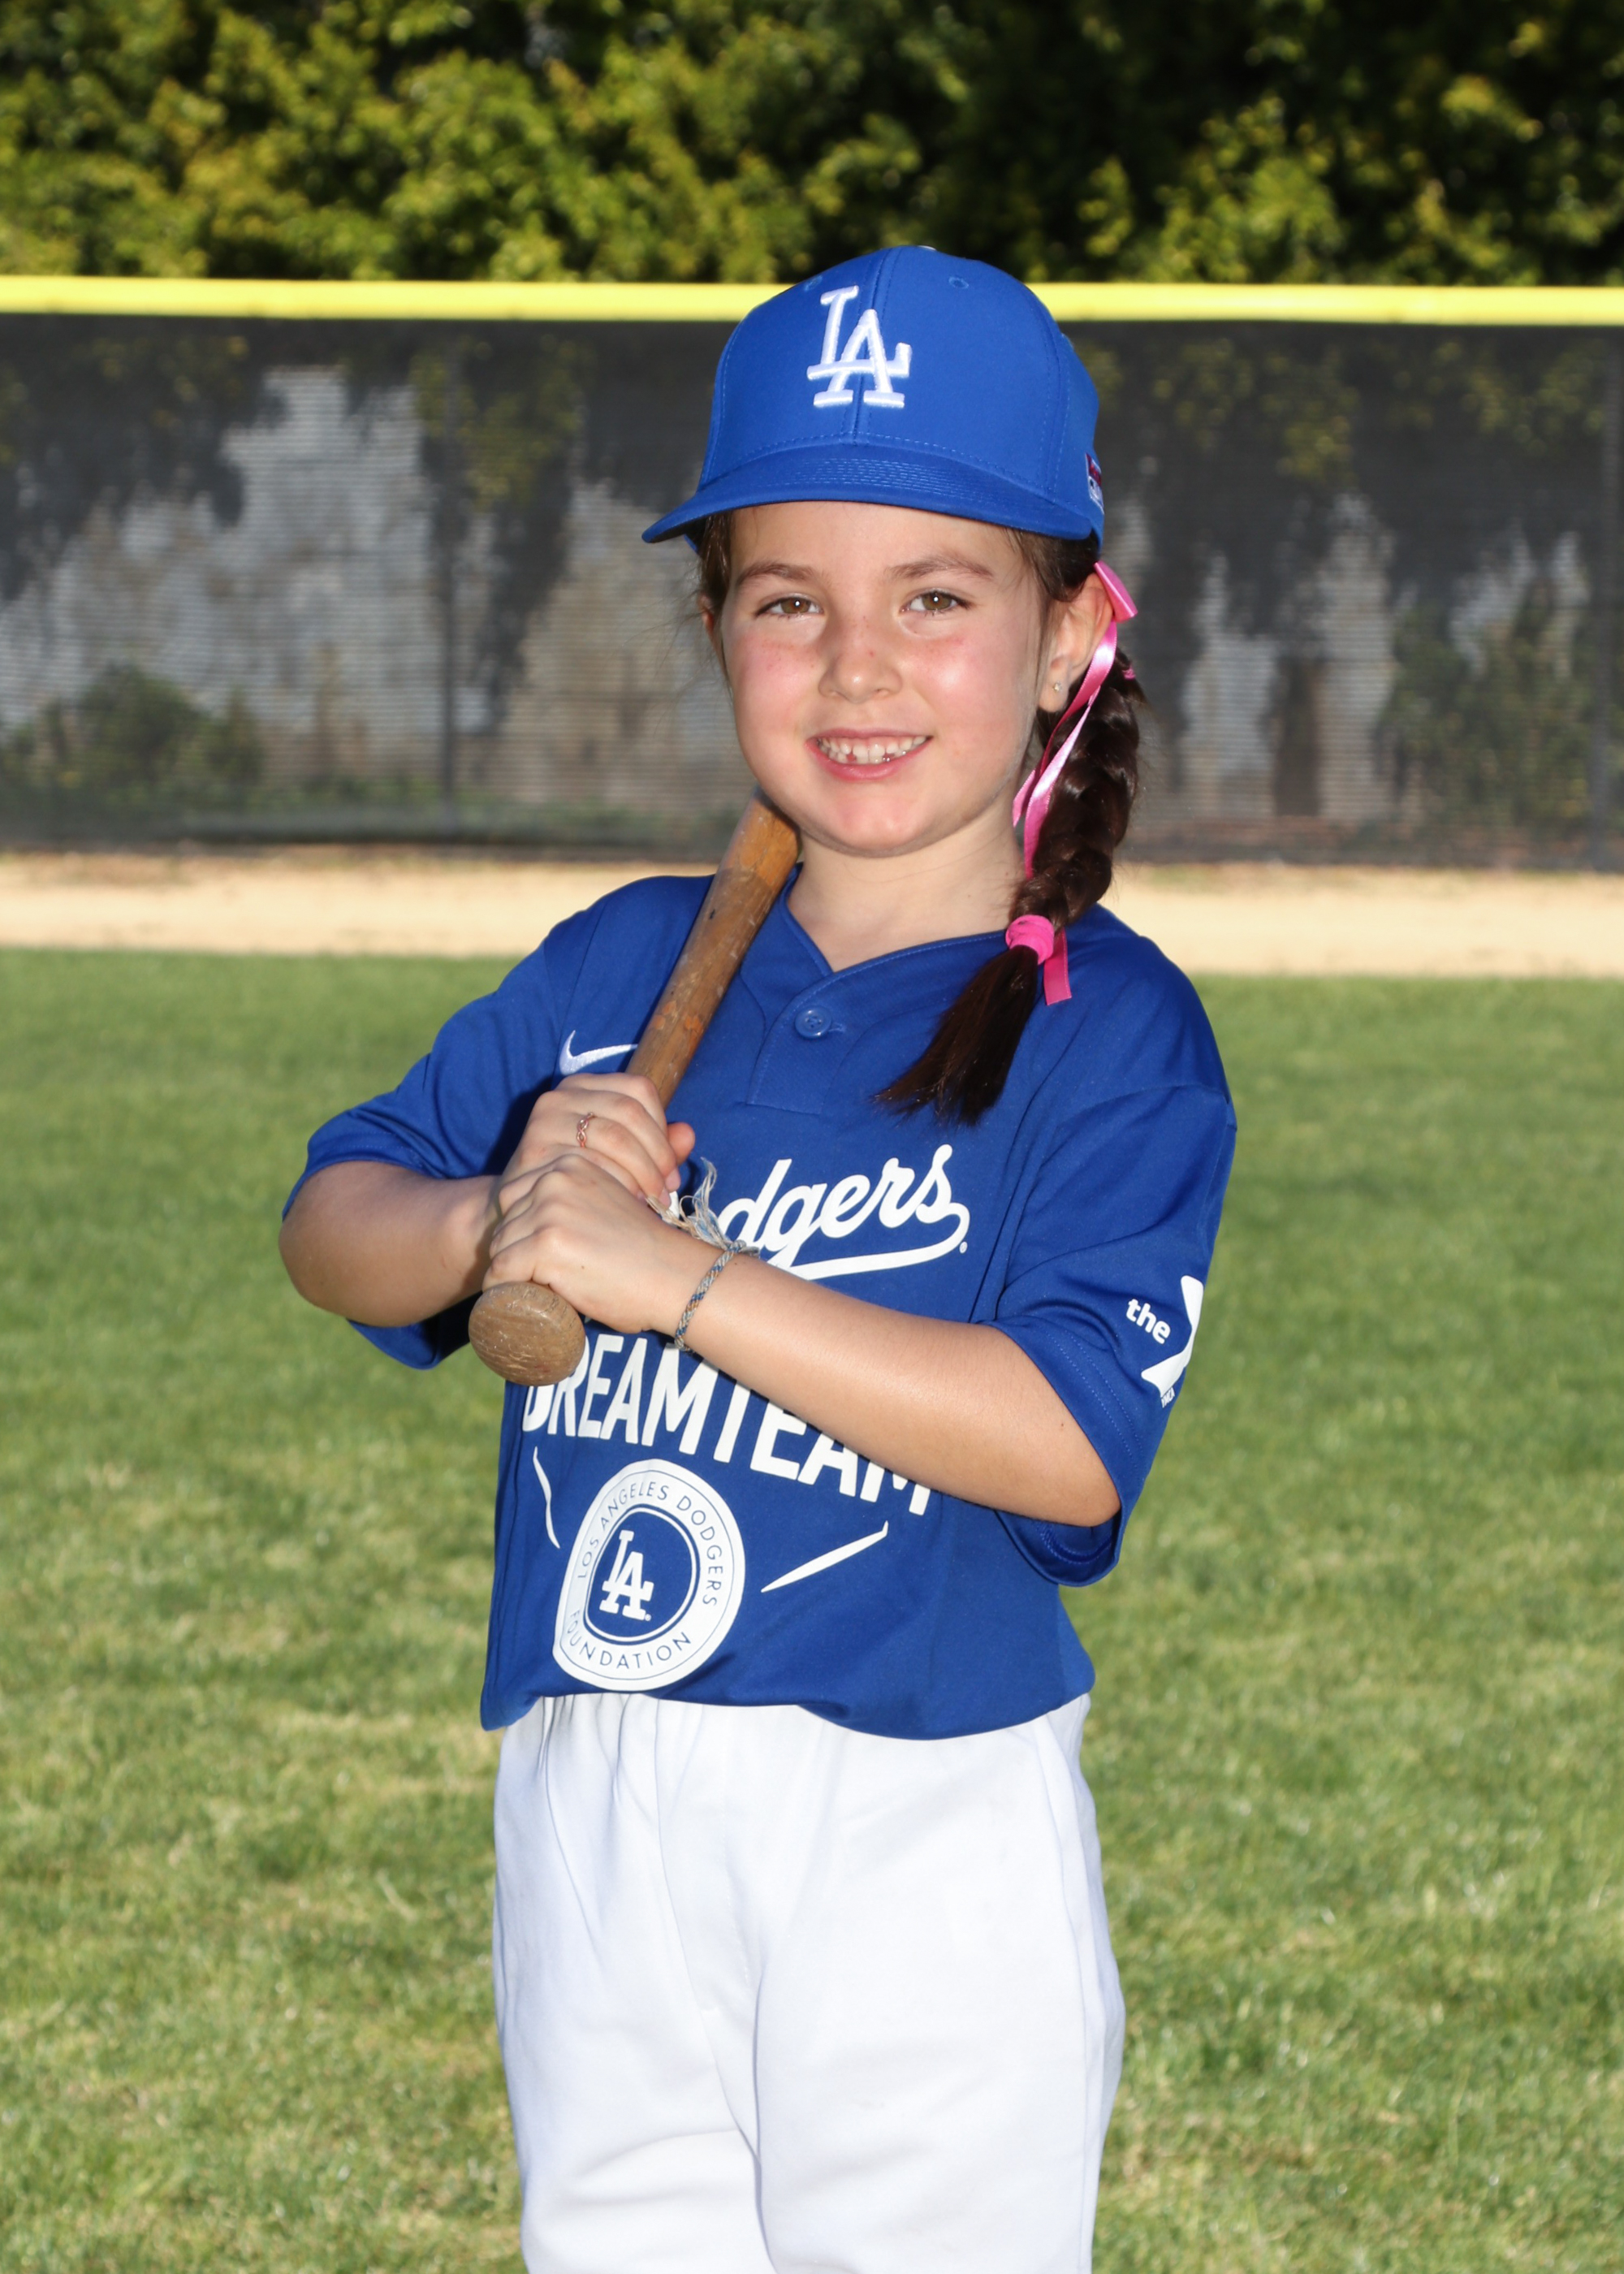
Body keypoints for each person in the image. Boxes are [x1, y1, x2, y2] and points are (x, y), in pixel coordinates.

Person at [280, 247, 1236, 2274]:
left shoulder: (1113, 1029)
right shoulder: (624, 963)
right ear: (716, 626)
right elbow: (335, 1218)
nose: (857, 666)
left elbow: (1065, 1438)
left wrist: (678, 1279)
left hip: (911, 1802)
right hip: (593, 1783)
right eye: (789, 600)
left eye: (936, 598)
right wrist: (491, 1213)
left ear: (1069, 632)